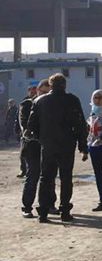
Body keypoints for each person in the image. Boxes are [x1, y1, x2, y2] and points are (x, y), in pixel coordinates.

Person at [27, 73, 89, 223]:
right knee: (66, 178)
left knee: (46, 178)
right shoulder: (72, 100)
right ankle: (65, 211)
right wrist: (82, 146)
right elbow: (80, 125)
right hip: (67, 145)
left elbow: (31, 125)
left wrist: (41, 138)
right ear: (64, 85)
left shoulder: (40, 101)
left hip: (48, 145)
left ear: (50, 85)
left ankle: (43, 212)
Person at [19, 80, 59, 218]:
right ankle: (27, 207)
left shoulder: (53, 106)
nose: (45, 95)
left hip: (48, 146)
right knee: (33, 176)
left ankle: (50, 205)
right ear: (37, 91)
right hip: (32, 147)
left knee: (49, 177)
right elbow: (25, 126)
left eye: (48, 93)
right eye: (43, 92)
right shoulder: (27, 105)